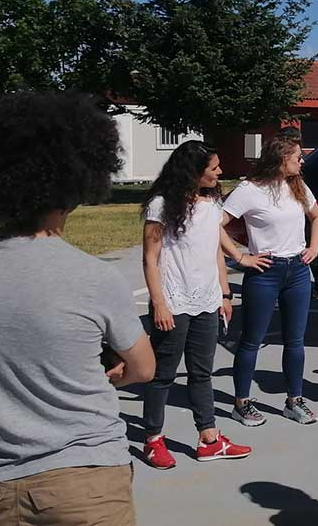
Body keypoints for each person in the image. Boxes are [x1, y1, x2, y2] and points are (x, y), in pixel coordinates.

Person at [0, 91, 155, 525]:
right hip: (88, 482)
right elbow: (143, 369)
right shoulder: (94, 276)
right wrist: (110, 371)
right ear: (79, 181)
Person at [140, 141, 254, 468]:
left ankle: (209, 439)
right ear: (194, 171)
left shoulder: (210, 203)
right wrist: (159, 303)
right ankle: (153, 440)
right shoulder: (161, 205)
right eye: (214, 167)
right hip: (173, 301)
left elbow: (215, 246)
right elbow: (150, 259)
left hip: (206, 301)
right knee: (162, 375)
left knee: (201, 373)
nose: (220, 172)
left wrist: (224, 293)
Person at [222, 135, 318, 427]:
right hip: (264, 273)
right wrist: (241, 258)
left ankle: (294, 400)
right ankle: (241, 403)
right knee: (251, 341)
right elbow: (216, 224)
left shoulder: (296, 186)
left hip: (297, 271)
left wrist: (314, 248)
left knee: (295, 341)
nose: (302, 161)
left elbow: (317, 217)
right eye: (297, 157)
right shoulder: (248, 190)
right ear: (281, 159)